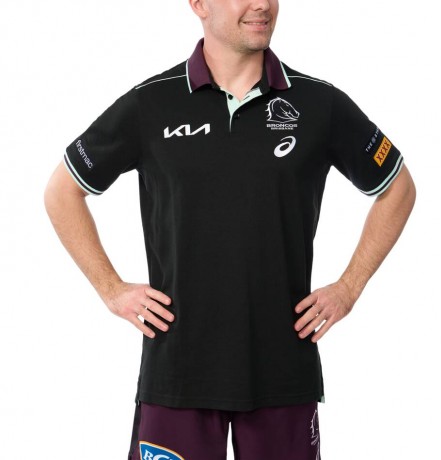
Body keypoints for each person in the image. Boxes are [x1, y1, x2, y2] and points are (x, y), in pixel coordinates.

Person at [44, 1, 416, 459]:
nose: (262, 4)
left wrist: (349, 287)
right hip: (178, 371)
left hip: (283, 370)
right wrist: (112, 289)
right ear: (199, 4)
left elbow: (398, 187)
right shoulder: (151, 103)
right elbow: (62, 191)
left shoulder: (319, 104)